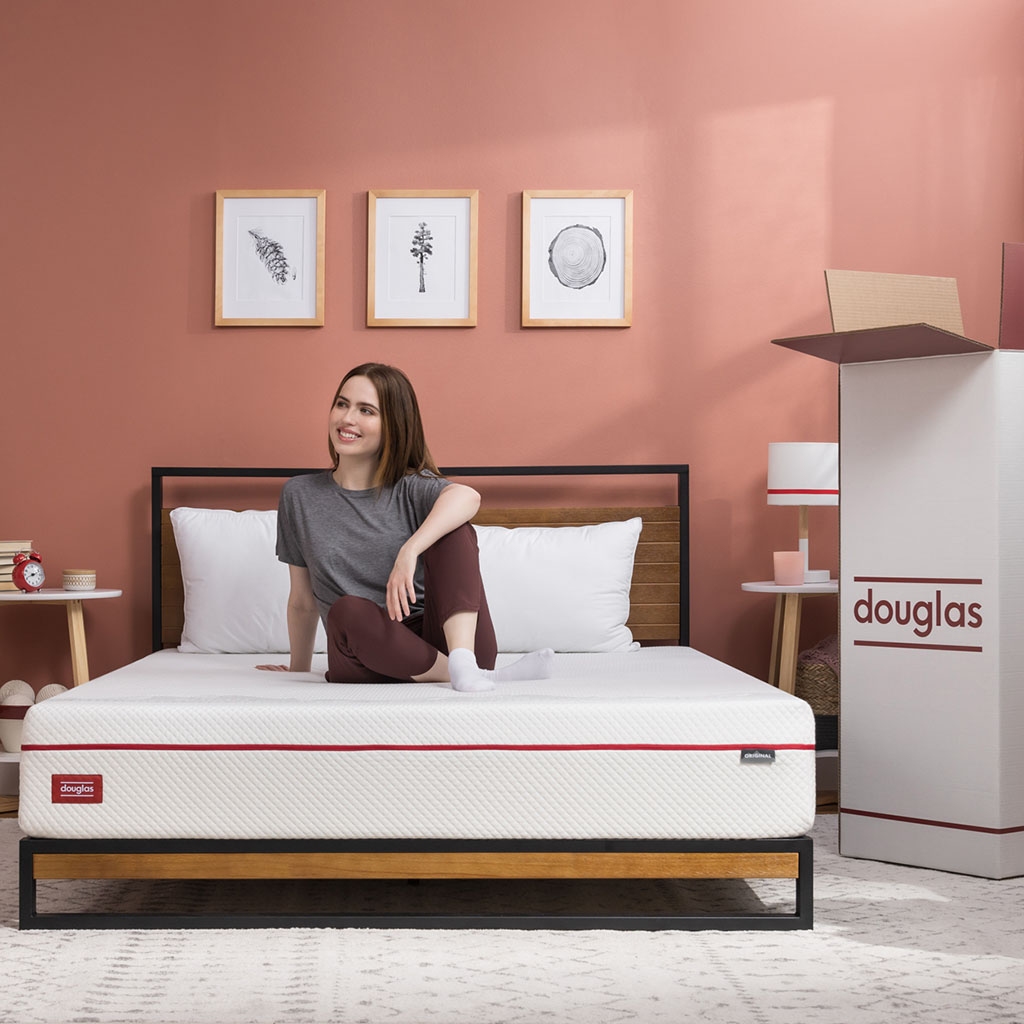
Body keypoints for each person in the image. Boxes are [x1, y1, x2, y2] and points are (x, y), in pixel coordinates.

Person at [256, 363, 553, 692]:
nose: (347, 418)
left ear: (393, 425)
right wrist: (298, 670)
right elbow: (302, 600)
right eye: (342, 404)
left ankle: (464, 664)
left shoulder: (412, 487)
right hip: (363, 649)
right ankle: (473, 675)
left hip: (450, 642)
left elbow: (468, 497)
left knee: (454, 529)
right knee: (346, 610)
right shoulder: (300, 495)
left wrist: (410, 550)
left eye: (366, 410)